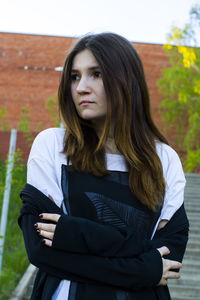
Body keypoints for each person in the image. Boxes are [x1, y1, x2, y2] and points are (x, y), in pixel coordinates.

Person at [18, 32, 189, 300]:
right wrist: (143, 269)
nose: (81, 87)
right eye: (74, 76)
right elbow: (40, 251)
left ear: (126, 80)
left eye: (96, 74)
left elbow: (170, 256)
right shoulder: (53, 146)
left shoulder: (163, 159)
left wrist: (74, 234)